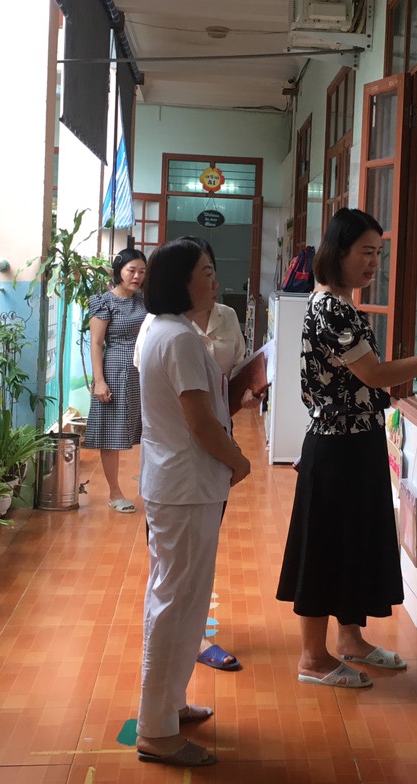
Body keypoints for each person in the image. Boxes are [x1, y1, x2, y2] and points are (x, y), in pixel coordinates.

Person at [276, 208, 417, 689]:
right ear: (338, 252)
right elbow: (375, 374)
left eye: (378, 253)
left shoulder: (340, 304)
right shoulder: (332, 308)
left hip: (356, 441)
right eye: (365, 252)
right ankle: (312, 658)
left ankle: (350, 640)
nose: (374, 263)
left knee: (352, 543)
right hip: (336, 448)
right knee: (326, 547)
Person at [135, 240, 251, 768]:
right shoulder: (178, 338)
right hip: (184, 486)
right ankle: (156, 731)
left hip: (180, 484)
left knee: (181, 601)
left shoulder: (166, 330)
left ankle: (171, 705)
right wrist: (238, 460)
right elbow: (200, 423)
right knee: (176, 604)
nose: (214, 280)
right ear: (182, 282)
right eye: (205, 272)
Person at [85, 248, 148, 514]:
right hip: (116, 370)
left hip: (143, 371)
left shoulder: (143, 300)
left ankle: (149, 482)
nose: (136, 276)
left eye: (142, 271)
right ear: (119, 271)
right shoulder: (104, 302)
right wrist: (99, 381)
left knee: (148, 429)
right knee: (112, 432)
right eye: (131, 270)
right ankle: (114, 493)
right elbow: (96, 343)